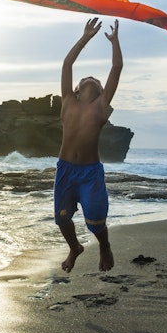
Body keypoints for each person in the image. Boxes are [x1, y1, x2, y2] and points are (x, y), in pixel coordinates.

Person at [55, 18, 122, 273]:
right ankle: (75, 248)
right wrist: (84, 38)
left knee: (95, 221)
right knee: (62, 218)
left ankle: (104, 245)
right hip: (66, 171)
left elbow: (116, 67)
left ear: (101, 90)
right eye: (86, 78)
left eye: (96, 79)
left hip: (90, 174)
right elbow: (67, 63)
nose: (91, 78)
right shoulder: (67, 102)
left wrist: (114, 42)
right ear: (78, 89)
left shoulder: (101, 106)